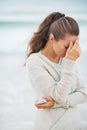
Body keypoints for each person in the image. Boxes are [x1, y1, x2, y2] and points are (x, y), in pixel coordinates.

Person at [26, 12, 87, 130]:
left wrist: (55, 104)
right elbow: (59, 95)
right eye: (66, 46)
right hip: (51, 126)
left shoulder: (68, 57)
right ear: (52, 38)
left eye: (74, 45)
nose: (71, 50)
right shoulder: (35, 62)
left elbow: (84, 94)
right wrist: (70, 62)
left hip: (75, 125)